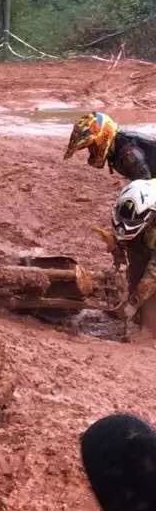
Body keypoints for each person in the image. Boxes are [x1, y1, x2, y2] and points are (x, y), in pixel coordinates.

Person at [109, 178, 156, 340]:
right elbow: (121, 232)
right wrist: (118, 254)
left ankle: (149, 329)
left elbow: (153, 273)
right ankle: (139, 316)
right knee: (138, 251)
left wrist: (134, 302)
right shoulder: (133, 196)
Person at [64, 110, 156, 179]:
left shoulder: (129, 154)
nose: (91, 150)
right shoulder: (117, 147)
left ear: (104, 135)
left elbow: (145, 185)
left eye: (92, 146)